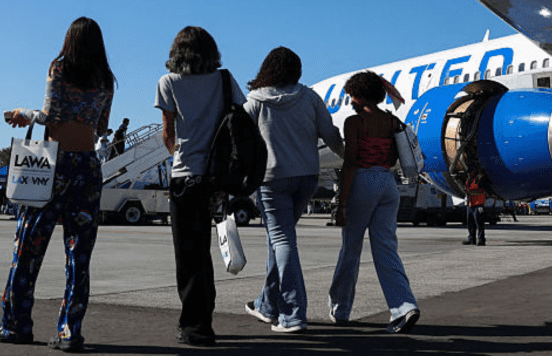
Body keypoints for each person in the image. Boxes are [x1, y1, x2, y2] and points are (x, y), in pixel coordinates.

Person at [0, 16, 115, 351]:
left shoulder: (59, 68)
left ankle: (16, 324)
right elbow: (102, 127)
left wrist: (23, 112)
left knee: (28, 245)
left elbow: (49, 115)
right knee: (79, 255)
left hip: (53, 164)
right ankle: (69, 331)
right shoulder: (106, 79)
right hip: (88, 167)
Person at [154, 26, 245, 348]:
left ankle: (195, 325)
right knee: (206, 250)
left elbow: (167, 133)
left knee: (189, 255)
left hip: (185, 176)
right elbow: (240, 119)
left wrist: (180, 155)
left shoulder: (168, 82)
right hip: (217, 176)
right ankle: (203, 318)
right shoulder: (224, 79)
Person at [243, 46, 343, 334]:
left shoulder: (256, 102)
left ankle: (293, 314)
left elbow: (236, 136)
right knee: (279, 240)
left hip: (272, 180)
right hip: (306, 179)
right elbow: (331, 134)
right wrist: (348, 157)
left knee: (283, 241)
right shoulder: (310, 97)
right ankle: (266, 305)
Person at [327, 71, 420, 333]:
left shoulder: (355, 123)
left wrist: (342, 205)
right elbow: (393, 158)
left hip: (364, 181)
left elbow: (351, 163)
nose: (351, 101)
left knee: (351, 250)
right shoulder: (392, 121)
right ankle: (404, 306)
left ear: (360, 96)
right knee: (387, 249)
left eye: (352, 96)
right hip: (388, 184)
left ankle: (341, 308)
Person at [462, 170, 487, 246]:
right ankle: (471, 239)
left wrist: (471, 191)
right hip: (470, 203)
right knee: (470, 222)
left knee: (479, 222)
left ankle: (481, 239)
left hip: (478, 203)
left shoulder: (480, 178)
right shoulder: (469, 179)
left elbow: (483, 189)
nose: (469, 173)